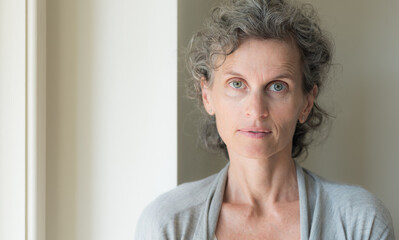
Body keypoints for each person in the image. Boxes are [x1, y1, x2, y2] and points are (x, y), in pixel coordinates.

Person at [135, 0, 396, 239]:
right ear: (207, 96)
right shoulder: (168, 223)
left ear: (306, 102)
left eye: (277, 87)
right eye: (237, 84)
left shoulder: (360, 222)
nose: (256, 110)